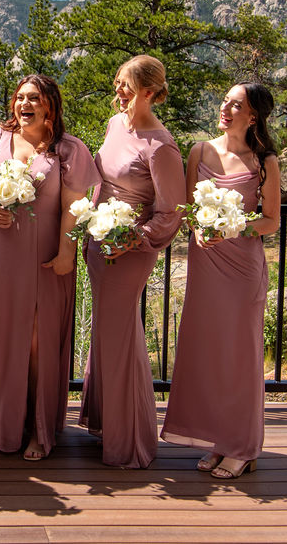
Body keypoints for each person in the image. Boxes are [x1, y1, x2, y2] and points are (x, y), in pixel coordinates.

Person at [0, 75, 99, 461]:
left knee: (36, 340)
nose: (25, 104)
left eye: (34, 98)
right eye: (20, 97)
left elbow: (73, 207)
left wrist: (67, 251)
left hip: (42, 255)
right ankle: (1, 418)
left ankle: (37, 426)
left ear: (50, 106)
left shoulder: (69, 149)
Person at [161, 82, 280, 479]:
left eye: (236, 104)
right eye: (225, 101)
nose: (225, 108)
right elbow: (188, 208)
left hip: (242, 268)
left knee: (239, 356)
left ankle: (243, 447)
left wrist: (234, 228)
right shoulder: (200, 150)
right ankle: (218, 440)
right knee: (208, 352)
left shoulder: (265, 161)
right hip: (206, 265)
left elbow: (271, 221)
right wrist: (196, 228)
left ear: (253, 116)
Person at [78, 54, 185, 469]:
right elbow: (102, 181)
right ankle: (107, 422)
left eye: (125, 84)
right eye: (117, 82)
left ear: (148, 91)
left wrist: (132, 238)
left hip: (129, 249)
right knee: (105, 332)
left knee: (119, 335)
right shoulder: (115, 125)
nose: (118, 91)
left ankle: (131, 440)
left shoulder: (160, 146)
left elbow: (170, 211)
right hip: (99, 243)